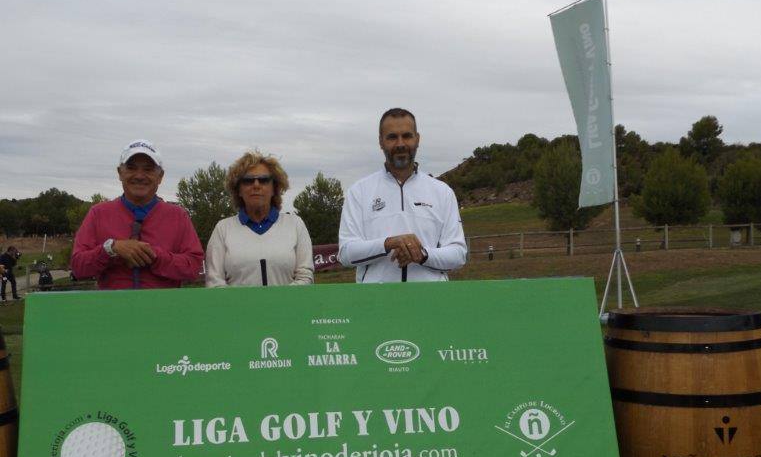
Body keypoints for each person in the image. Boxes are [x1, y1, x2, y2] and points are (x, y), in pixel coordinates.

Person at [338, 108, 466, 282]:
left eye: (407, 136)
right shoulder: (358, 192)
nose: (400, 144)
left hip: (431, 302)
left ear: (417, 139)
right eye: (392, 137)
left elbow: (458, 254)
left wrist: (422, 255)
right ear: (381, 142)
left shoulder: (442, 192)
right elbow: (346, 253)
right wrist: (389, 243)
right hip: (375, 303)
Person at [71, 140, 204, 289]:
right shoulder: (98, 213)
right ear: (120, 173)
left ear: (160, 176)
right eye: (131, 168)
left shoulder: (178, 215)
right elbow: (78, 267)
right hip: (111, 309)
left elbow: (194, 267)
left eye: (148, 169)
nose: (139, 176)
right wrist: (111, 249)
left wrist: (154, 256)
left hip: (164, 309)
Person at [205, 151, 313, 287]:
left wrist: (280, 303)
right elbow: (214, 282)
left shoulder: (295, 225)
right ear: (238, 190)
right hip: (237, 308)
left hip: (287, 307)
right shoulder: (223, 229)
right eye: (248, 180)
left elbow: (305, 277)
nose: (256, 185)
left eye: (263, 180)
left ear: (275, 188)